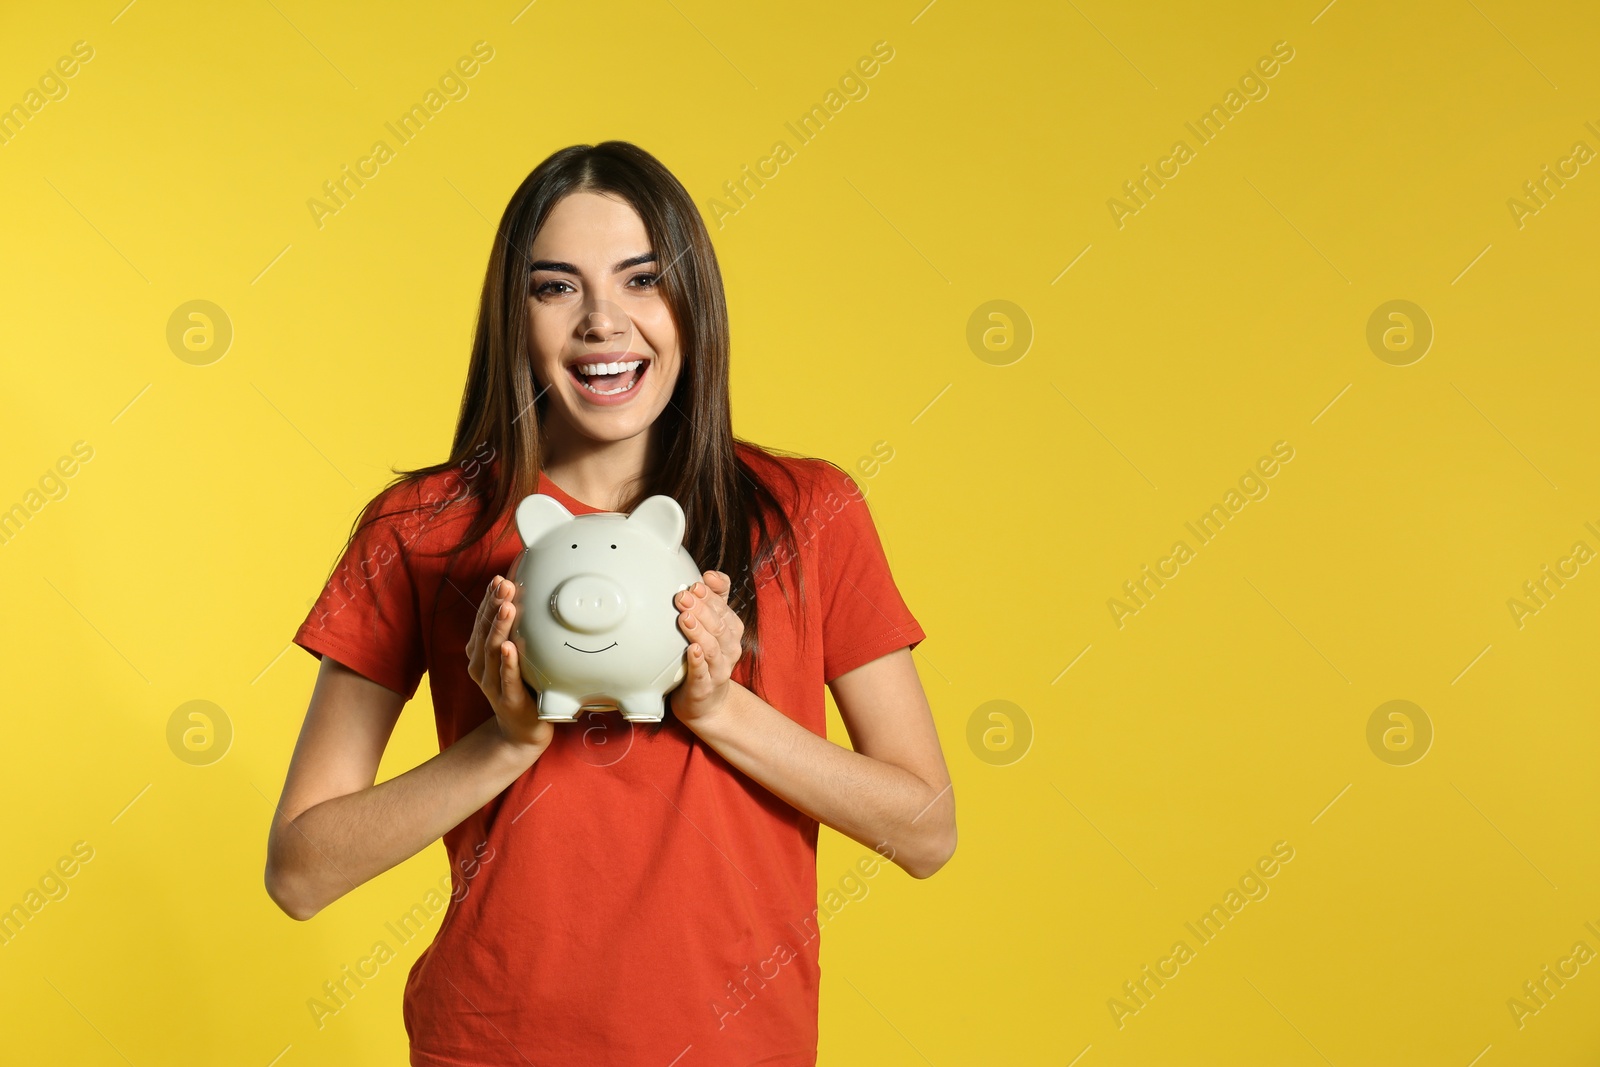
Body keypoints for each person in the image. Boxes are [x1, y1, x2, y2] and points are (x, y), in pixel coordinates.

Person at [263, 140, 956, 1066]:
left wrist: (719, 705)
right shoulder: (419, 531)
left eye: (642, 280)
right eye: (556, 287)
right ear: (514, 316)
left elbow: (926, 829)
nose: (603, 321)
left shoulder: (810, 513)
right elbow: (301, 871)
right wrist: (505, 740)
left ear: (692, 305)